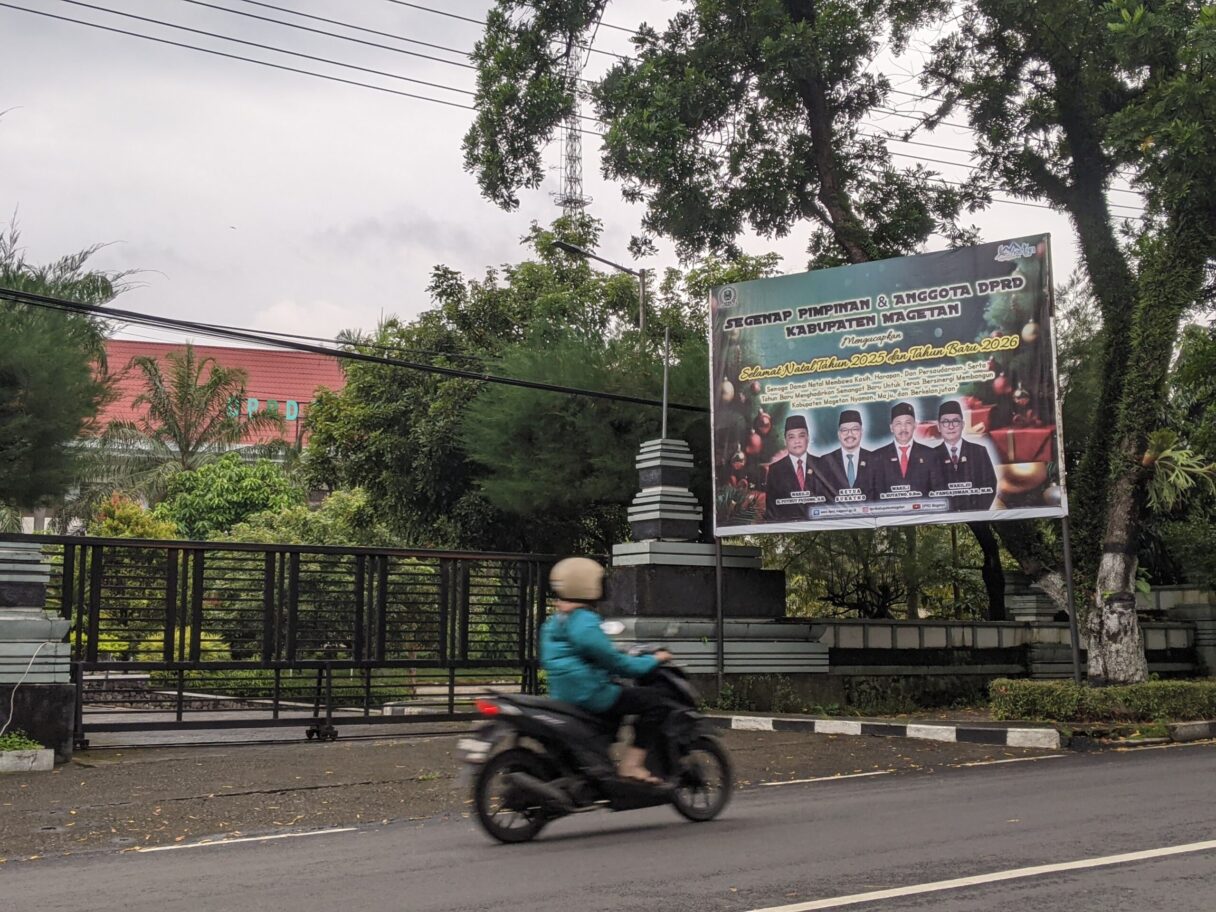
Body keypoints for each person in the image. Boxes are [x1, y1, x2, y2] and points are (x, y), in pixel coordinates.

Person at [539, 557, 673, 784]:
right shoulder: (584, 621)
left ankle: (599, 761)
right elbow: (618, 664)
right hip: (590, 693)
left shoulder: (555, 621)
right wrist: (653, 659)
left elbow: (581, 653)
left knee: (620, 703)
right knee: (655, 703)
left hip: (563, 693)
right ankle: (631, 766)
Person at [931, 400, 998, 511]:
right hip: (944, 517)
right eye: (945, 422)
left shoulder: (979, 451)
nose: (951, 426)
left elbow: (990, 485)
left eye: (955, 421)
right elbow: (927, 491)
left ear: (963, 425)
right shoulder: (930, 456)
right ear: (939, 427)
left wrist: (975, 513)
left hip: (975, 514)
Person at [764, 415, 828, 521]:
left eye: (801, 436)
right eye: (791, 437)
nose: (797, 441)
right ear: (785, 441)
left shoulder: (822, 465)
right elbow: (771, 510)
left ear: (808, 438)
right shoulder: (775, 470)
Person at [872, 402, 938, 501]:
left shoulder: (930, 455)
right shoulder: (877, 457)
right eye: (898, 424)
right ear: (891, 428)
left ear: (915, 425)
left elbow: (937, 493)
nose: (903, 428)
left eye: (908, 423)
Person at [817, 408, 876, 503]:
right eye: (844, 430)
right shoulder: (826, 461)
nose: (849, 434)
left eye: (855, 429)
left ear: (861, 432)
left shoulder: (874, 459)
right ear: (839, 434)